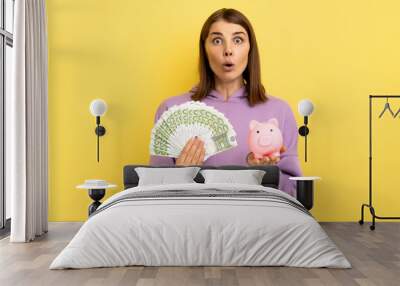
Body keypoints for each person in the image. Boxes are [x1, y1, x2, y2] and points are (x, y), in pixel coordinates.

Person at [149, 8, 302, 197]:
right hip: (193, 222)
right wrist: (181, 175)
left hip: (257, 222)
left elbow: (295, 194)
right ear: (204, 49)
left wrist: (269, 175)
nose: (228, 51)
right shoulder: (170, 109)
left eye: (237, 40)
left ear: (250, 48)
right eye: (217, 40)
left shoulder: (279, 111)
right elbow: (153, 195)